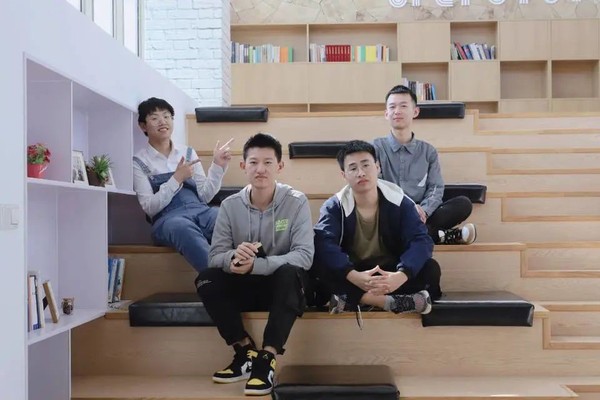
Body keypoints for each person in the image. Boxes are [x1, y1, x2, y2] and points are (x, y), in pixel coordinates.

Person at [196, 133, 314, 396]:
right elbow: (215, 256)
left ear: (279, 166)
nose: (260, 169)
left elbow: (305, 256)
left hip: (284, 287)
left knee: (290, 273)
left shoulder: (296, 201)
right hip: (245, 284)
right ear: (243, 166)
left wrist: (257, 265)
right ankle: (244, 352)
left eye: (268, 162)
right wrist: (234, 258)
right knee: (206, 277)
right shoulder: (229, 206)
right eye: (253, 162)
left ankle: (267, 358)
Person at [313, 140, 441, 318]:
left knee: (430, 269)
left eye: (366, 165)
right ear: (344, 175)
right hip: (354, 272)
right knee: (318, 268)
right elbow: (324, 244)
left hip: (390, 271)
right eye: (353, 168)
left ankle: (353, 300)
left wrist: (401, 275)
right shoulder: (334, 206)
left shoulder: (400, 201)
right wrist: (353, 275)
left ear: (378, 167)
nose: (361, 173)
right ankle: (387, 302)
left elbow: (421, 241)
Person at [132, 97, 233, 272]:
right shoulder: (139, 162)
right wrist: (177, 179)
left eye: (167, 116)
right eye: (154, 118)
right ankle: (218, 279)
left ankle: (253, 271)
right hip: (168, 219)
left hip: (201, 210)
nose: (162, 121)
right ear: (143, 126)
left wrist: (218, 166)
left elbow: (204, 195)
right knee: (182, 228)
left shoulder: (187, 152)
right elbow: (150, 207)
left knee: (224, 217)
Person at [373, 85, 477, 245]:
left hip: (422, 216)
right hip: (390, 214)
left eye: (403, 106)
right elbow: (376, 186)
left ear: (415, 112)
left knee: (463, 204)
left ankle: (423, 233)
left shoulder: (428, 151)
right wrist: (408, 208)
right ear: (386, 114)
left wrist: (425, 211)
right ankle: (442, 235)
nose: (397, 111)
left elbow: (435, 188)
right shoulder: (375, 148)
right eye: (392, 107)